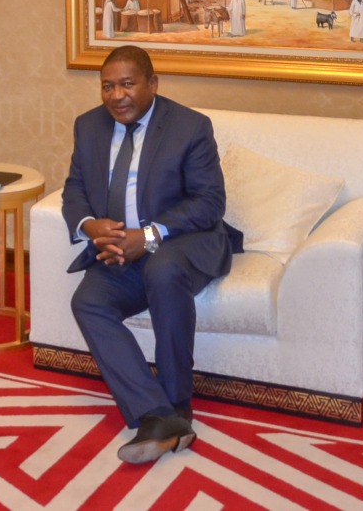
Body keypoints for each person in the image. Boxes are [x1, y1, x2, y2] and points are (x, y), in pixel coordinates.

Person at [61, 45, 240, 465]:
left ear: (152, 84)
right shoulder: (88, 127)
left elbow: (210, 203)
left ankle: (178, 405)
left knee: (161, 270)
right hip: (122, 250)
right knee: (87, 302)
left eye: (127, 84)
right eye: (107, 86)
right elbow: (74, 189)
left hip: (183, 242)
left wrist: (151, 233)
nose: (116, 95)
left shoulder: (189, 127)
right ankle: (158, 415)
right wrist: (90, 226)